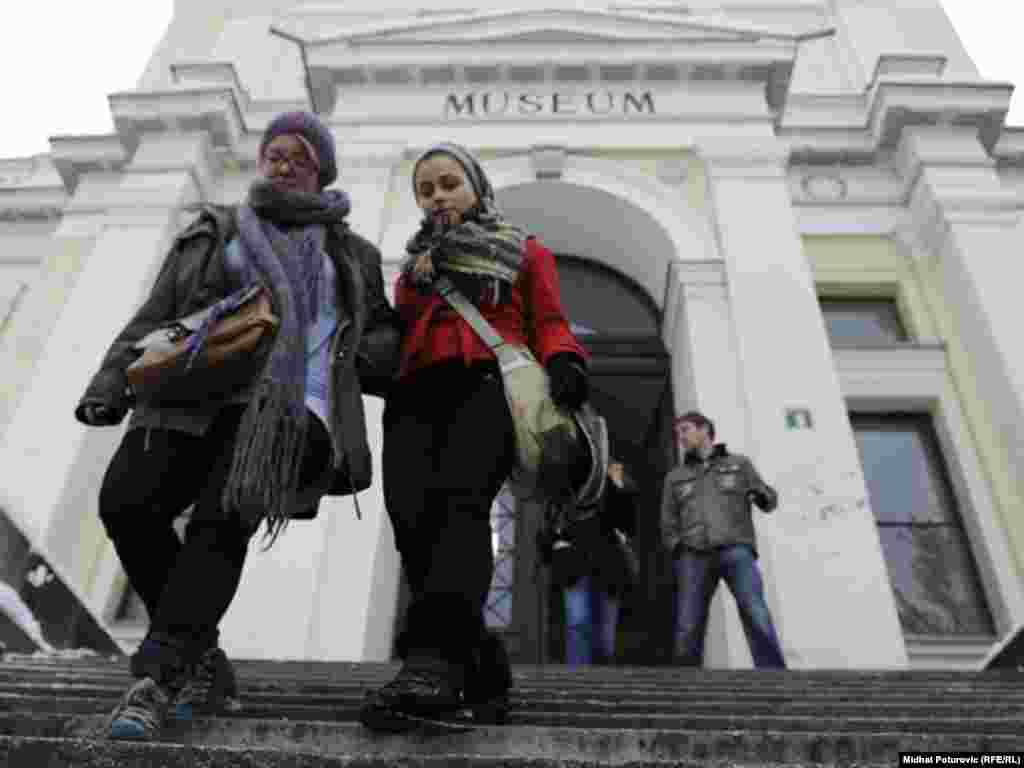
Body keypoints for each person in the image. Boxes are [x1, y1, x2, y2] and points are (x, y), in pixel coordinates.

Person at [75, 110, 398, 740]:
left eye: (298, 156)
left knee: (220, 527)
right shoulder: (218, 226)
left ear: (321, 171)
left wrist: (378, 350)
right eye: (273, 152)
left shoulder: (352, 252)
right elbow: (161, 310)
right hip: (187, 393)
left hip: (288, 407)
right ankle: (200, 653)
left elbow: (380, 324)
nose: (282, 163)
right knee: (127, 504)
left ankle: (161, 674)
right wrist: (111, 381)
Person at [359, 142, 590, 730]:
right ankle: (483, 663)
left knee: (459, 514)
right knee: (412, 522)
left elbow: (551, 319)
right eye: (426, 189)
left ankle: (430, 666)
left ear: (477, 187)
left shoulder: (523, 250)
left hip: (484, 388)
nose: (437, 195)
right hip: (413, 396)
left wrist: (566, 361)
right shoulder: (414, 266)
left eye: (448, 183)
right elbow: (402, 328)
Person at [660, 411, 786, 669]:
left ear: (705, 429)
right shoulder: (675, 477)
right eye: (678, 433)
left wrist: (762, 495)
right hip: (694, 554)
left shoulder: (739, 464)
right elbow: (668, 520)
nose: (681, 437)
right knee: (688, 622)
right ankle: (685, 683)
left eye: (685, 430)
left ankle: (773, 676)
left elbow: (769, 501)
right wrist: (678, 549)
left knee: (755, 611)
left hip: (735, 549)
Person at [537, 458, 639, 666]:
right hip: (573, 563)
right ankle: (578, 675)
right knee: (577, 623)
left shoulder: (612, 485)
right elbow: (547, 525)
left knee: (606, 630)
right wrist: (555, 544)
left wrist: (618, 485)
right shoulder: (563, 489)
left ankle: (605, 677)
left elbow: (628, 524)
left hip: (608, 563)